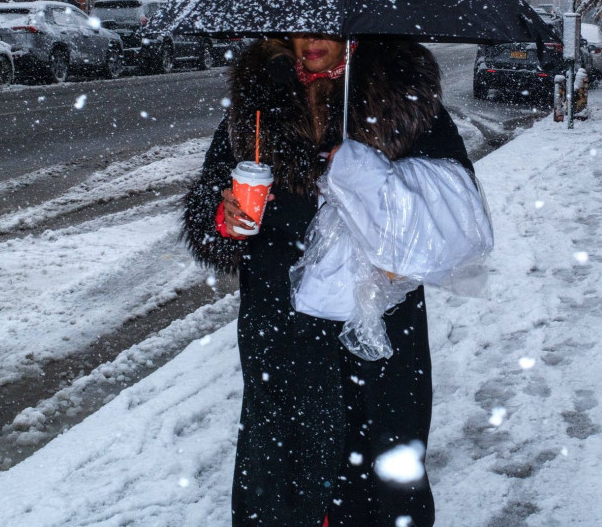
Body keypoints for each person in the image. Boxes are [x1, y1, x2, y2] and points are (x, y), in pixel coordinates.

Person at [182, 33, 471, 527]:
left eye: (325, 28)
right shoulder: (259, 100)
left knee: (383, 453)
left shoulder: (401, 96)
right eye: (300, 26)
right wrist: (222, 217)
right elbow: (209, 195)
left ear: (353, 32)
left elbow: (453, 203)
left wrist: (379, 198)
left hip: (377, 319)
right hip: (281, 319)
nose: (311, 40)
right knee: (281, 455)